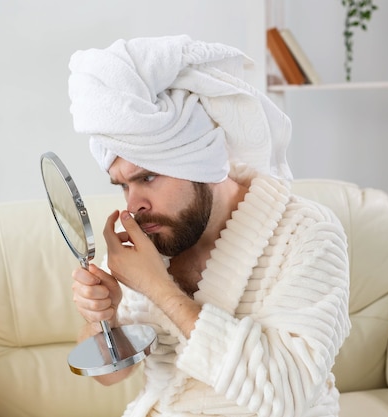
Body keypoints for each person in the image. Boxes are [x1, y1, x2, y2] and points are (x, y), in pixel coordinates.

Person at [67, 35, 351, 417]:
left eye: (147, 177)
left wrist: (159, 288)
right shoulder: (148, 234)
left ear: (199, 162)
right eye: (123, 186)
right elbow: (114, 376)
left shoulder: (308, 234)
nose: (133, 205)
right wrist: (103, 319)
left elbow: (286, 395)